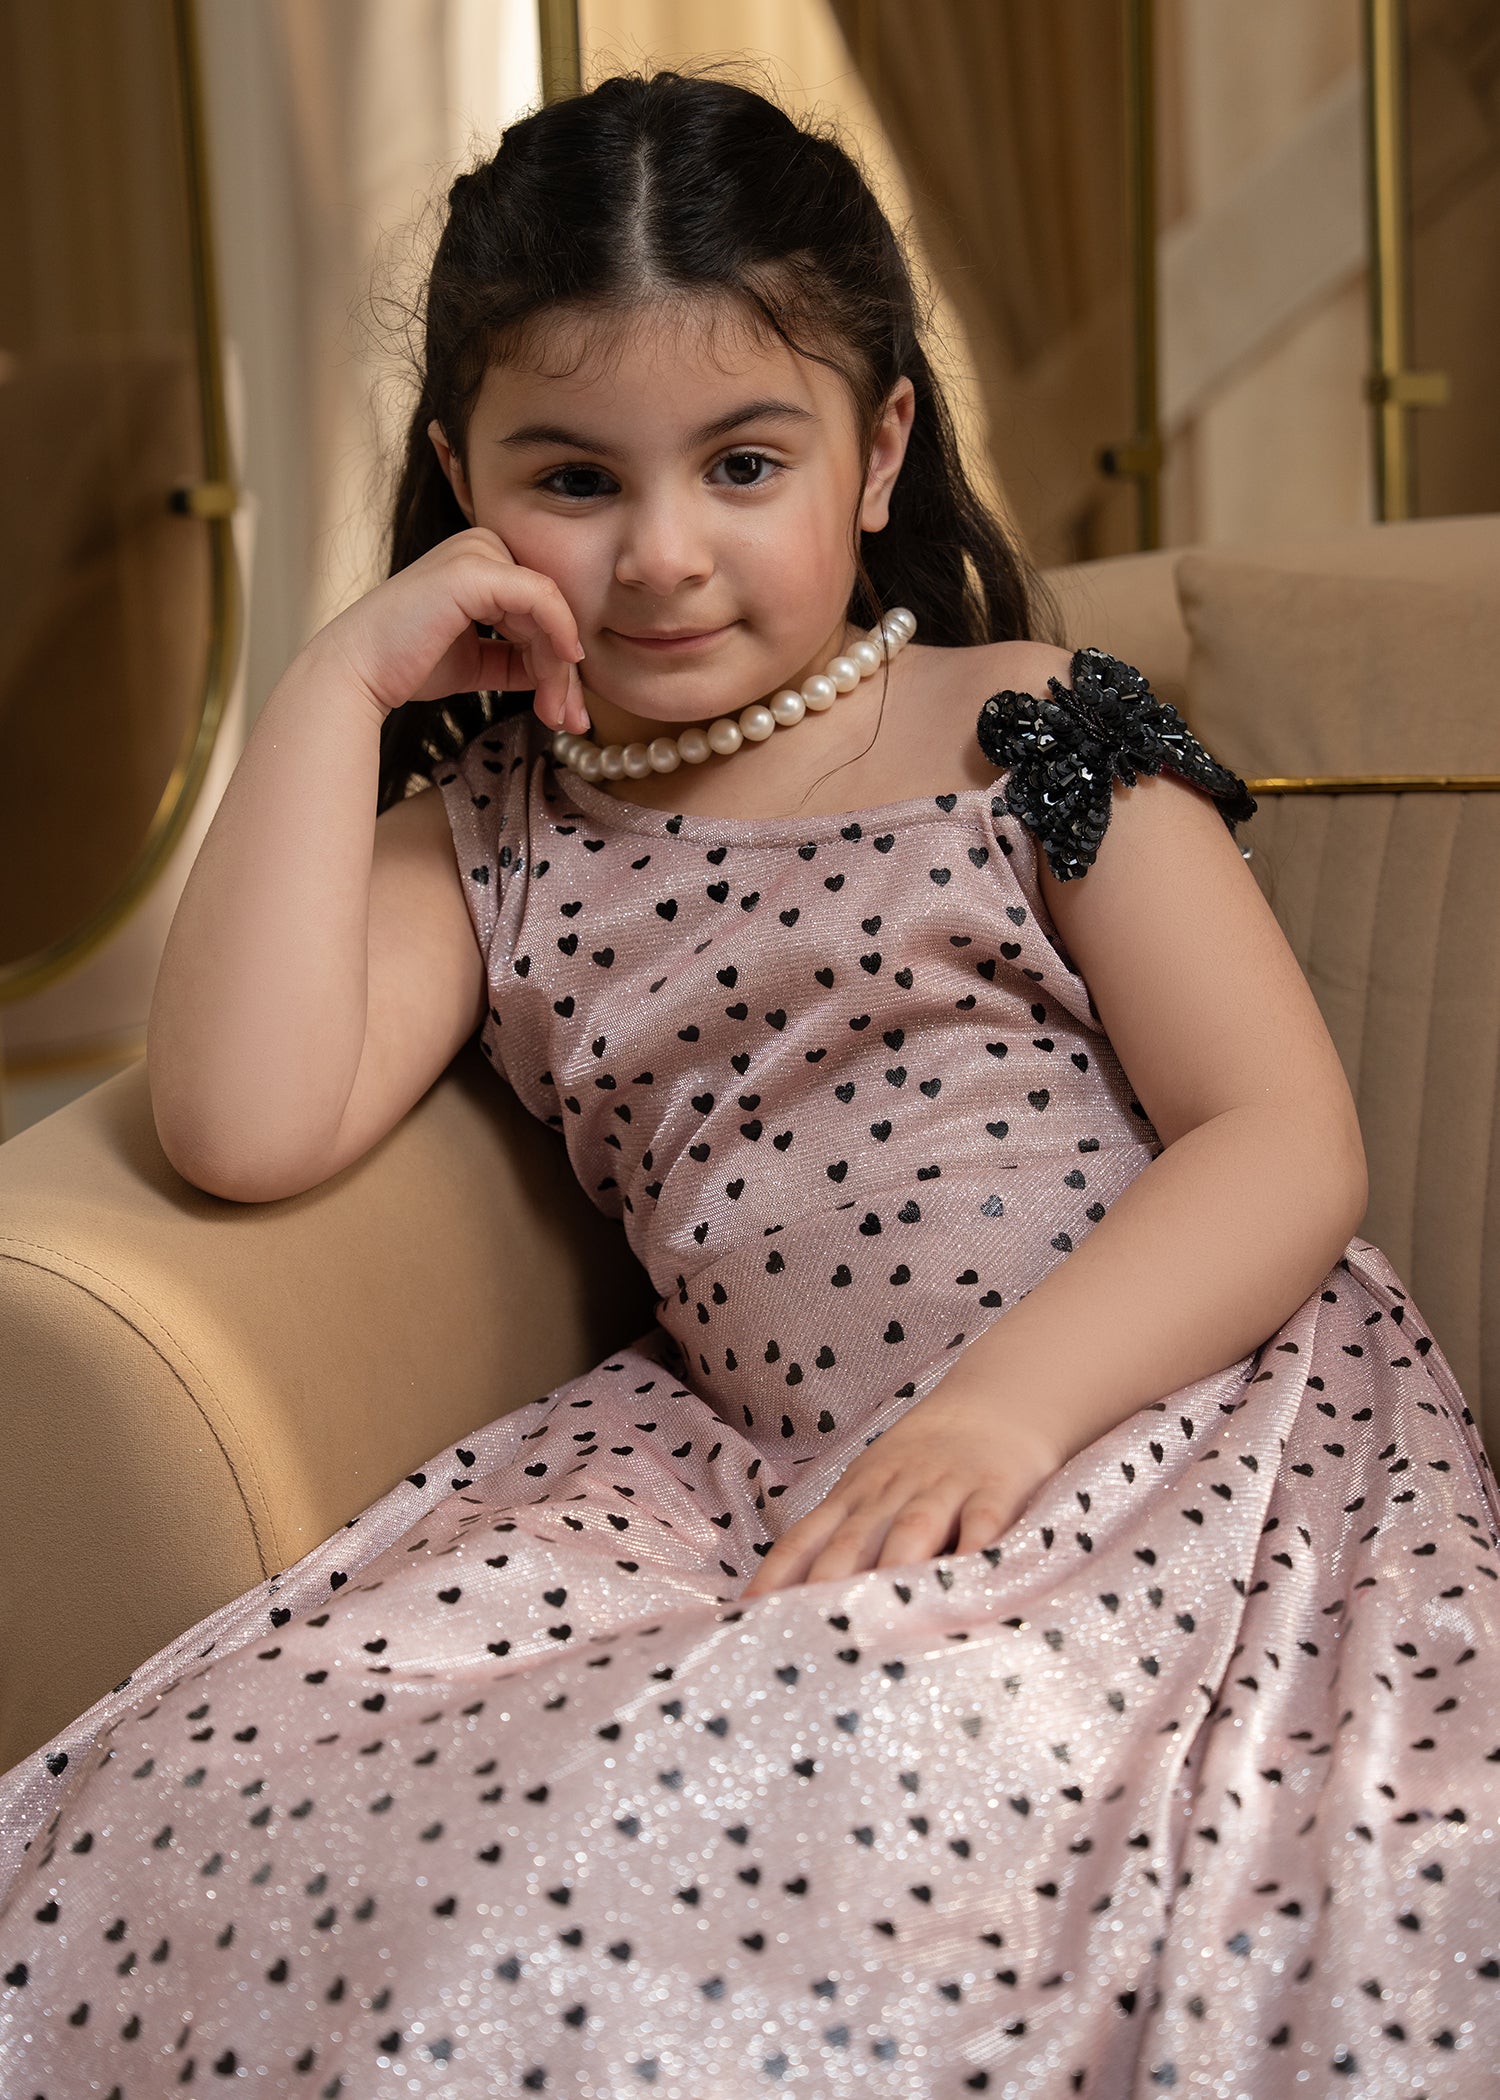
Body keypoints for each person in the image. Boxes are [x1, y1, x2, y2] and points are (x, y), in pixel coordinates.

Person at [2, 66, 1497, 2099]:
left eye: (742, 464)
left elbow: (1283, 1136)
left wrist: (996, 1416)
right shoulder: (499, 829)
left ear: (878, 454)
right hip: (762, 1467)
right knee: (312, 1795)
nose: (661, 556)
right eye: (574, 478)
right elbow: (242, 1123)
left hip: (1160, 1403)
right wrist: (337, 680)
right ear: (460, 479)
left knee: (926, 1786)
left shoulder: (1022, 727)